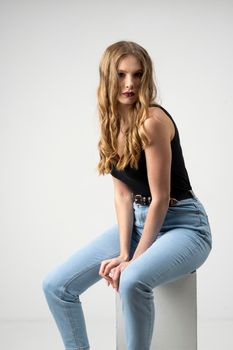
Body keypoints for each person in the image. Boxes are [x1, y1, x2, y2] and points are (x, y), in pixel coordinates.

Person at [42, 40, 212, 350]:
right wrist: (123, 251)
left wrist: (134, 261)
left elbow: (160, 198)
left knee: (133, 281)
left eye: (137, 74)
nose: (130, 84)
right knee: (56, 286)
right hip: (139, 221)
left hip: (184, 225)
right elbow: (123, 195)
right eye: (121, 75)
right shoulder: (111, 123)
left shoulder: (152, 122)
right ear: (108, 77)